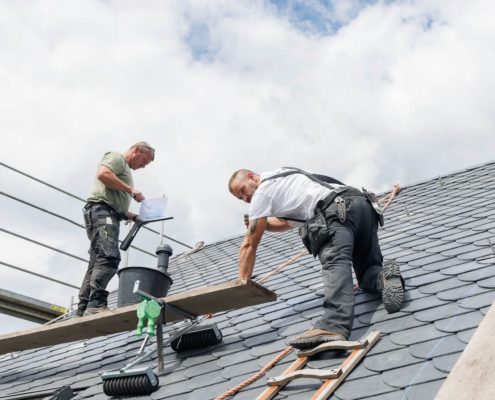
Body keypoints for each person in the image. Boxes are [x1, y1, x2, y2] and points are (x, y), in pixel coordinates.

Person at [228, 167, 404, 349]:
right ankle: (383, 279)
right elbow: (286, 223)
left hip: (335, 212)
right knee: (368, 272)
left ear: (251, 177)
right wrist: (262, 224)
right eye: (240, 198)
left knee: (334, 261)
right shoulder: (284, 176)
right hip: (361, 205)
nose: (245, 199)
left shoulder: (262, 192)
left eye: (242, 191)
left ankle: (334, 325)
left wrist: (243, 284)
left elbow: (250, 243)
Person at [76, 142, 155, 317]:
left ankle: (83, 308)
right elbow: (103, 174)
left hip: (103, 214)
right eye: (144, 161)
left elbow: (113, 202)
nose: (142, 166)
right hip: (103, 214)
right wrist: (130, 189)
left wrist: (133, 216)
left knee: (97, 262)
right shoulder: (117, 157)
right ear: (136, 150)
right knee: (109, 257)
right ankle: (96, 304)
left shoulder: (123, 170)